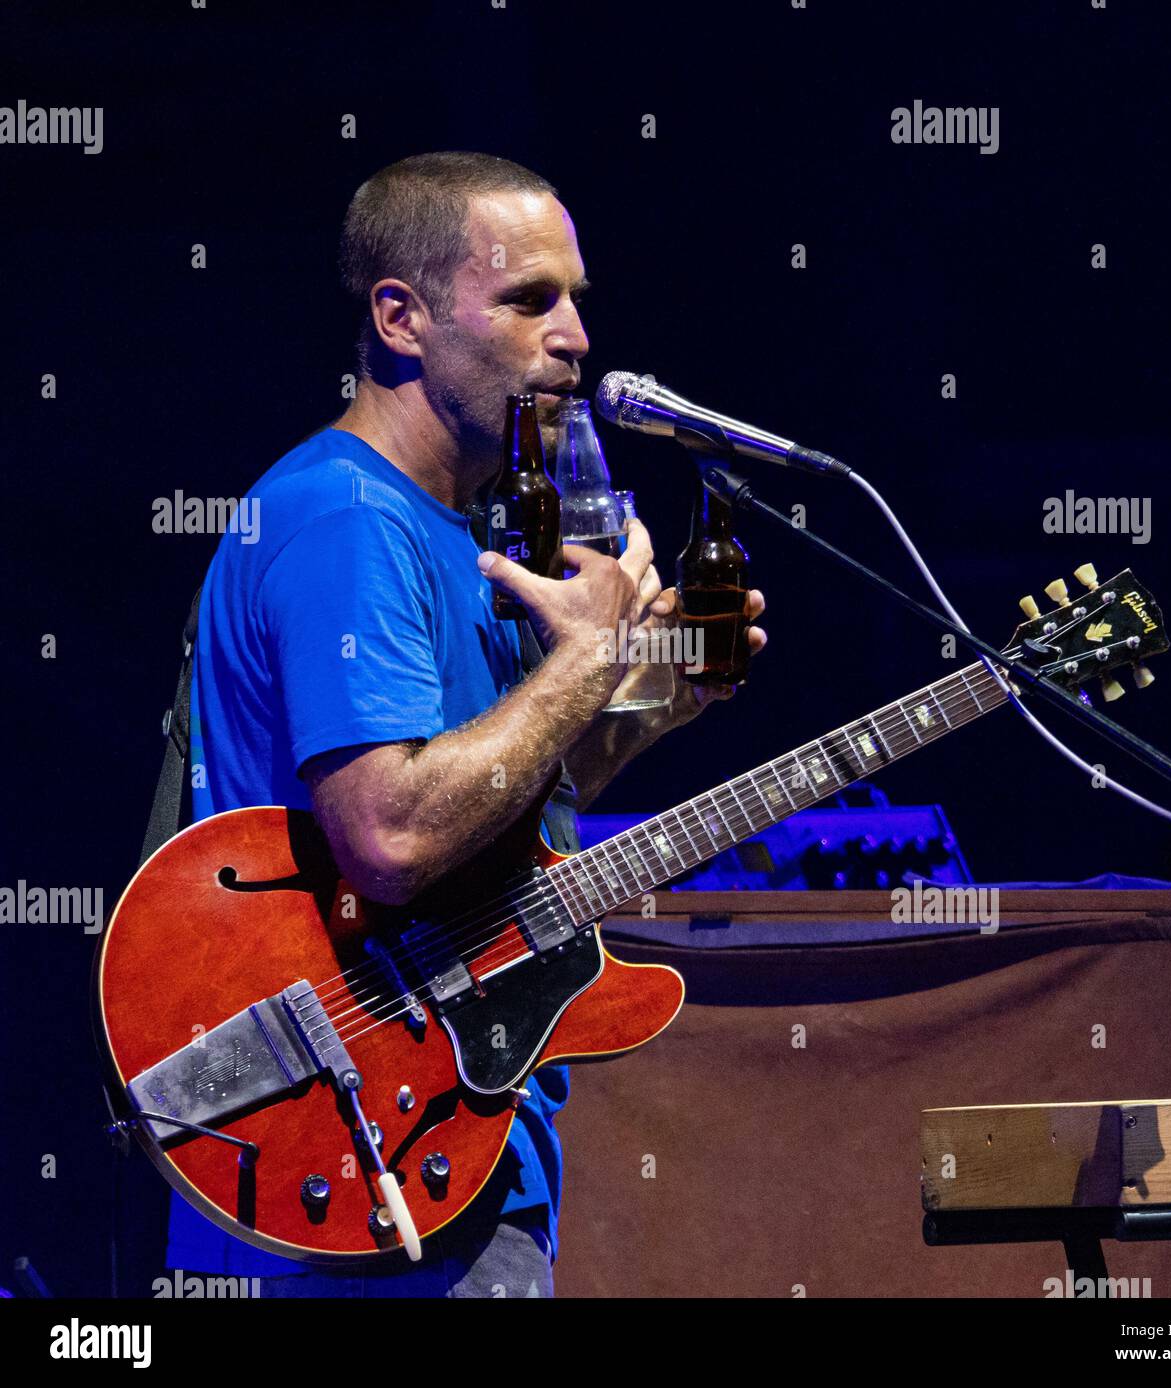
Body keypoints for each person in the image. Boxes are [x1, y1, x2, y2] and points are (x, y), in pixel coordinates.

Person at [165, 151, 767, 1297]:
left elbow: (500, 804)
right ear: (402, 317)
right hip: (357, 1148)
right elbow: (390, 838)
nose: (577, 335)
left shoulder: (449, 526)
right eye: (530, 298)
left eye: (576, 296)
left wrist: (650, 701)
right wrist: (587, 655)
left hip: (446, 1134)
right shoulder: (346, 519)